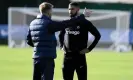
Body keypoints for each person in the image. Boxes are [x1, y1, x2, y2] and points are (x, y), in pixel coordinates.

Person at [26, 2, 87, 80]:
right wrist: (82, 16)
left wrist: (39, 47)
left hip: (36, 58)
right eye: (51, 11)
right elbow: (65, 23)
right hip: (47, 59)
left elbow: (29, 41)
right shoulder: (49, 24)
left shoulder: (32, 23)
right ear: (48, 11)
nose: (52, 13)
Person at [59, 2, 101, 80]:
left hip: (80, 57)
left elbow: (98, 35)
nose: (70, 11)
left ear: (78, 9)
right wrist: (61, 46)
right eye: (69, 9)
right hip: (67, 57)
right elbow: (60, 35)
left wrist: (89, 49)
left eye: (72, 9)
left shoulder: (85, 23)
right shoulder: (66, 22)